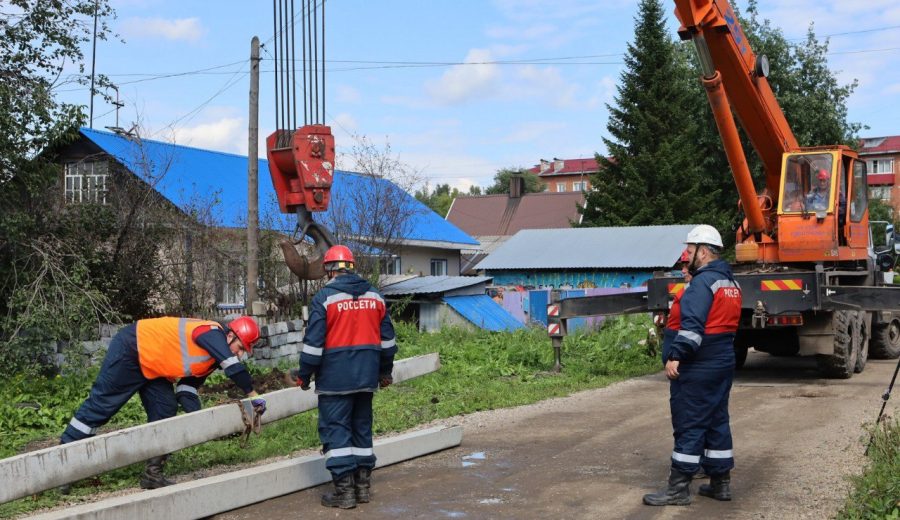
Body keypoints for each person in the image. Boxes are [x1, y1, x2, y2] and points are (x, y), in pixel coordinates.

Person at [60, 316, 266, 490]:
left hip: (153, 368)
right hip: (132, 350)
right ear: (230, 336)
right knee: (101, 406)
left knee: (165, 409)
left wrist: (202, 420)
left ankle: (152, 474)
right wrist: (252, 393)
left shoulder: (212, 359)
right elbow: (233, 368)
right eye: (240, 348)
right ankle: (62, 466)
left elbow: (186, 391)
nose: (240, 354)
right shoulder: (211, 332)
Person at [290, 245, 397, 509]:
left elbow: (313, 346)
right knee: (361, 429)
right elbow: (388, 343)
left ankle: (344, 491)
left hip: (335, 379)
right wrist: (384, 373)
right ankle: (362, 488)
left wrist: (304, 376)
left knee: (336, 431)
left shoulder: (325, 298)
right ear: (352, 266)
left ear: (328, 270)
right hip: (367, 377)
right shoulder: (376, 296)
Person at [643, 225, 742, 506]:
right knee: (716, 420)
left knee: (690, 421)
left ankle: (677, 489)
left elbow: (692, 327)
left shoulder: (702, 283)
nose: (686, 256)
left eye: (689, 250)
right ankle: (720, 483)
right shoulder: (730, 283)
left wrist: (677, 355)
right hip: (722, 359)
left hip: (699, 364)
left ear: (704, 251)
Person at [661, 249, 693, 366]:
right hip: (673, 338)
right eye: (682, 266)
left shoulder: (697, 291)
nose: (683, 271)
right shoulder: (687, 287)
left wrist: (676, 355)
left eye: (687, 266)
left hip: (678, 347)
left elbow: (692, 325)